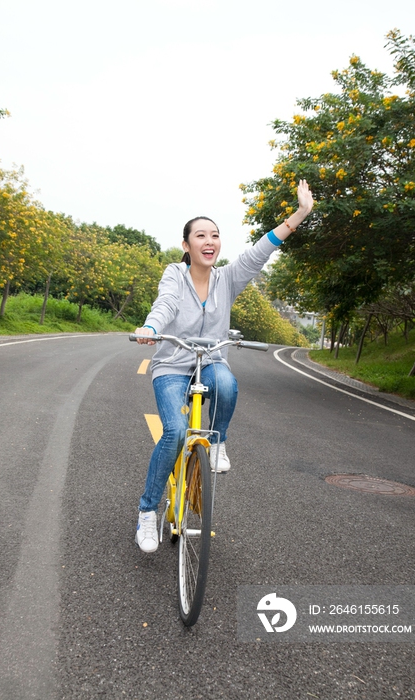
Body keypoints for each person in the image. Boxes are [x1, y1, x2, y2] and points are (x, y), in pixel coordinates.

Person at [134, 179, 314, 552]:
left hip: (210, 361)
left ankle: (218, 444)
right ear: (187, 246)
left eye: (214, 235)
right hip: (171, 365)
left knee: (227, 385)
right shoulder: (174, 274)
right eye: (200, 235)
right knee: (175, 432)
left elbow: (261, 251)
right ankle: (147, 512)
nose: (209, 241)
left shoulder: (228, 278)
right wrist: (152, 328)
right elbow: (165, 303)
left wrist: (300, 214)